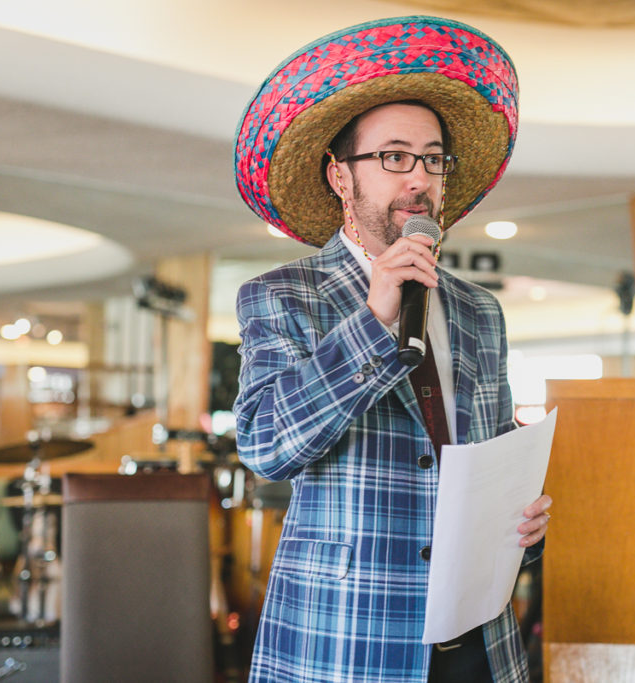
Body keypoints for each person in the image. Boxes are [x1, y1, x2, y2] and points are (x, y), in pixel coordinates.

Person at [232, 16, 552, 683]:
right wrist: (375, 319)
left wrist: (525, 519)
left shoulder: (478, 310)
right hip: (347, 635)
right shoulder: (285, 296)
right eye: (395, 156)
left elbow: (489, 456)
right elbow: (266, 445)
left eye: (433, 158)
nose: (419, 177)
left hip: (477, 641)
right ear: (340, 177)